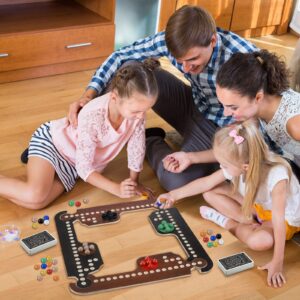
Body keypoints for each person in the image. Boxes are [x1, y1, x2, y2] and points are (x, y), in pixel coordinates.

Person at [57, 5, 257, 191]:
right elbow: (120, 57)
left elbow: (266, 110)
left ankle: (149, 140)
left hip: (221, 128)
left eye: (193, 60)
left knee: (176, 181)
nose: (186, 69)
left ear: (212, 41)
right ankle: (65, 137)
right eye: (179, 61)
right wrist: (88, 96)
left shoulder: (242, 57)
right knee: (129, 70)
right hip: (193, 102)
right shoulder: (174, 41)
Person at [156, 119, 300, 288]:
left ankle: (227, 222)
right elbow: (206, 183)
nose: (220, 167)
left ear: (245, 167)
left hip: (285, 218)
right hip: (259, 206)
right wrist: (173, 195)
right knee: (210, 193)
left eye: (224, 164)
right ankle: (250, 222)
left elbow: (278, 220)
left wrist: (277, 262)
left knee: (259, 242)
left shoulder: (277, 176)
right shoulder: (243, 162)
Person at [1, 59, 159, 209]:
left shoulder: (137, 114)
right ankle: (38, 157)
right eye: (137, 111)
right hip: (54, 143)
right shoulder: (93, 115)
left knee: (38, 203)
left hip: (74, 163)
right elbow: (84, 168)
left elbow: (136, 148)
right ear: (114, 97)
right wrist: (116, 188)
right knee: (35, 195)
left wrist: (134, 181)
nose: (141, 116)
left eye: (146, 110)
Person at [164, 49, 300, 181]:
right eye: (223, 105)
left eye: (233, 107)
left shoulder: (294, 126)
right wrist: (190, 157)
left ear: (258, 97)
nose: (226, 113)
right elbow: (235, 150)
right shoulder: (259, 107)